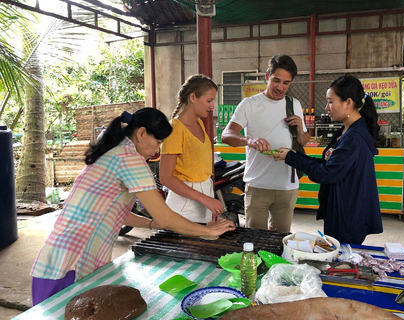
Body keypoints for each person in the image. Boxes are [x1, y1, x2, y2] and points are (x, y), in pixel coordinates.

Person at [30, 108, 235, 305]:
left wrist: (153, 224)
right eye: (158, 141)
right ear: (141, 133)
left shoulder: (112, 152)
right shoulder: (130, 159)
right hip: (70, 265)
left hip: (57, 261)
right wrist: (205, 231)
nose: (158, 150)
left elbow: (118, 214)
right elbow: (165, 217)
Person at [271, 75, 383, 244]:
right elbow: (329, 164)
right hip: (340, 208)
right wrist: (294, 154)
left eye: (331, 101)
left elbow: (327, 173)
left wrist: (292, 158)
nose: (326, 107)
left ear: (348, 103)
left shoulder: (354, 137)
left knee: (340, 260)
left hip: (348, 214)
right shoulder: (346, 131)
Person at [221, 54, 309, 232]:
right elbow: (227, 135)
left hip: (287, 185)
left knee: (280, 238)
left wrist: (300, 128)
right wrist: (249, 140)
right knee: (254, 238)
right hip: (258, 184)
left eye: (286, 83)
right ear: (267, 76)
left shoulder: (294, 104)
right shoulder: (250, 104)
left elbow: (303, 141)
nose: (280, 87)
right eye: (276, 80)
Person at [159, 75, 225, 223]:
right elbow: (165, 177)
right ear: (193, 97)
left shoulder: (199, 124)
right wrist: (205, 199)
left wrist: (210, 200)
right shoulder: (175, 129)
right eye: (209, 101)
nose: (212, 106)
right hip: (183, 206)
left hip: (204, 200)